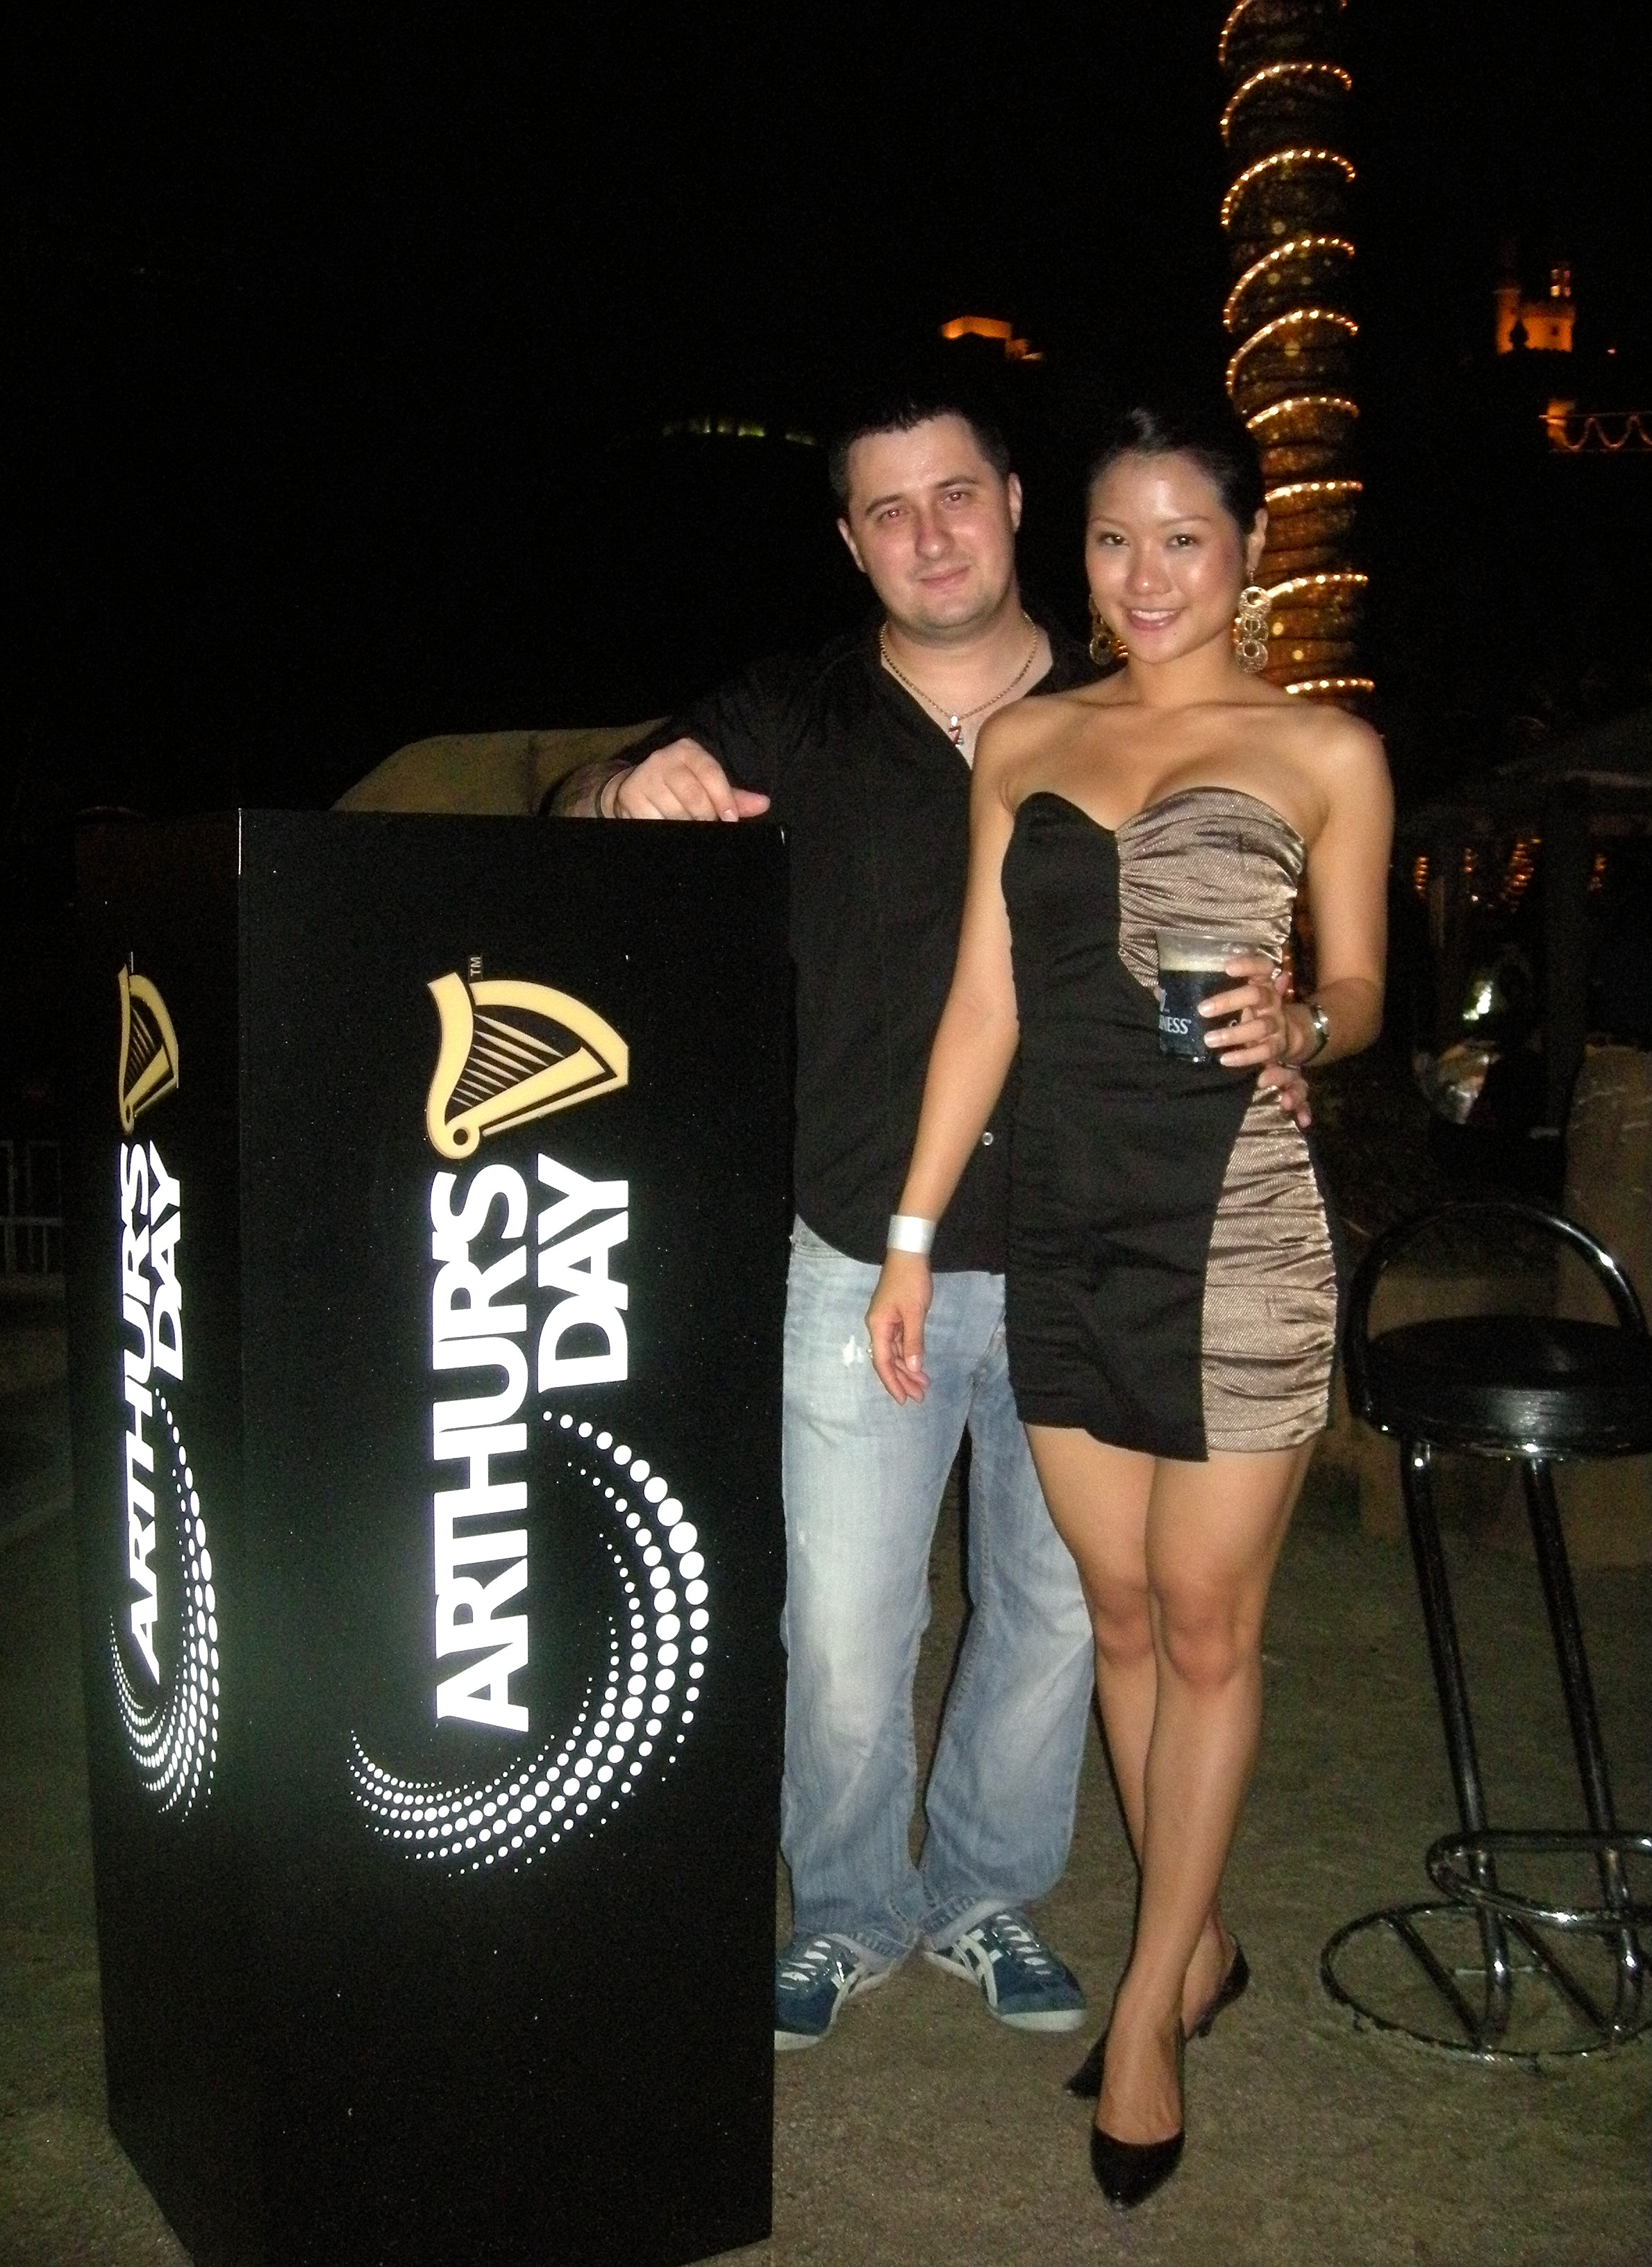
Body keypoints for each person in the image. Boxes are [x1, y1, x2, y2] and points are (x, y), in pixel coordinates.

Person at [553, 388, 1307, 2056]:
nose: (929, 535)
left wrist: (1299, 1022)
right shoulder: (795, 713)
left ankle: (984, 1892)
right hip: (858, 1242)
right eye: (887, 511)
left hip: (1092, 1248)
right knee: (841, 1624)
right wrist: (631, 786)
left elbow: (1268, 900)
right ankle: (845, 1907)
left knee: (1058, 1613)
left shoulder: (1126, 701)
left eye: (955, 494)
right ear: (849, 541)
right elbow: (587, 807)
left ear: (1018, 502)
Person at [867, 401, 1390, 2205]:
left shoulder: (1323, 747)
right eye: (1112, 538)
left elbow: (1361, 988)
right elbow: (985, 1007)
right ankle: (1206, 1932)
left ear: (1248, 549)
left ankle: (1156, 2007)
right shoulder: (1024, 740)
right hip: (1067, 1232)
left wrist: (1308, 1023)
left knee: (1211, 1627)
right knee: (1119, 1621)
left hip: (1239, 1231)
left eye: (1183, 537)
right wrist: (914, 1236)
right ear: (1073, 551)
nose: (1145, 574)